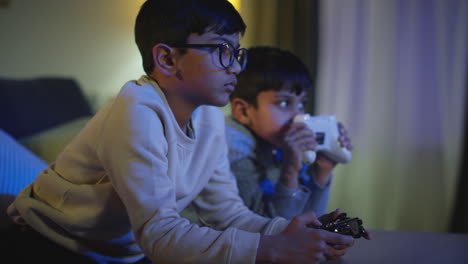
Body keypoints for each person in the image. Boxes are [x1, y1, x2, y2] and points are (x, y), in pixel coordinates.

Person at [5, 1, 356, 263]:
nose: (235, 66)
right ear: (167, 60)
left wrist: (294, 232)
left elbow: (228, 214)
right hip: (48, 240)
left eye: (237, 53)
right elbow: (159, 233)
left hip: (118, 251)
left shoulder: (210, 120)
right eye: (222, 51)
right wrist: (272, 249)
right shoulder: (134, 110)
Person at [226, 46, 352, 219]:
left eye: (302, 103)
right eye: (284, 103)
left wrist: (322, 170)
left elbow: (306, 221)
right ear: (244, 112)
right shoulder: (233, 147)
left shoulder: (279, 142)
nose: (298, 115)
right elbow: (266, 231)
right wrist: (289, 173)